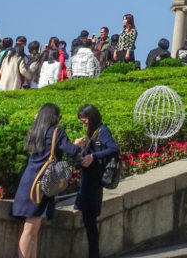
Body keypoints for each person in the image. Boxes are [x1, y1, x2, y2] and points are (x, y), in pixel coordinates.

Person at [11, 103, 81, 258]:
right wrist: (78, 143)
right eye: (59, 116)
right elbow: (72, 151)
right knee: (30, 229)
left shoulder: (35, 131)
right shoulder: (57, 132)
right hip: (40, 185)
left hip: (29, 180)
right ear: (54, 118)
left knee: (34, 227)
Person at [75, 104, 120, 258]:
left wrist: (94, 156)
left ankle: (94, 254)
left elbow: (113, 149)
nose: (83, 122)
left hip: (93, 182)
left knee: (90, 221)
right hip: (87, 180)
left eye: (85, 119)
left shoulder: (103, 130)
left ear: (92, 117)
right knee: (89, 221)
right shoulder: (92, 132)